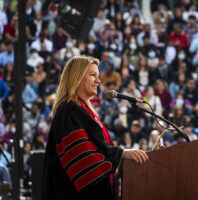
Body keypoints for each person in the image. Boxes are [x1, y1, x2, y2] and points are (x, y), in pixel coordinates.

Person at [42, 56, 149, 200]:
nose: (98, 81)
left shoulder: (85, 111)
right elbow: (83, 155)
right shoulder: (69, 110)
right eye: (92, 75)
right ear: (77, 77)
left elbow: (99, 151)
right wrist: (120, 155)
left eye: (98, 76)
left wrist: (119, 161)